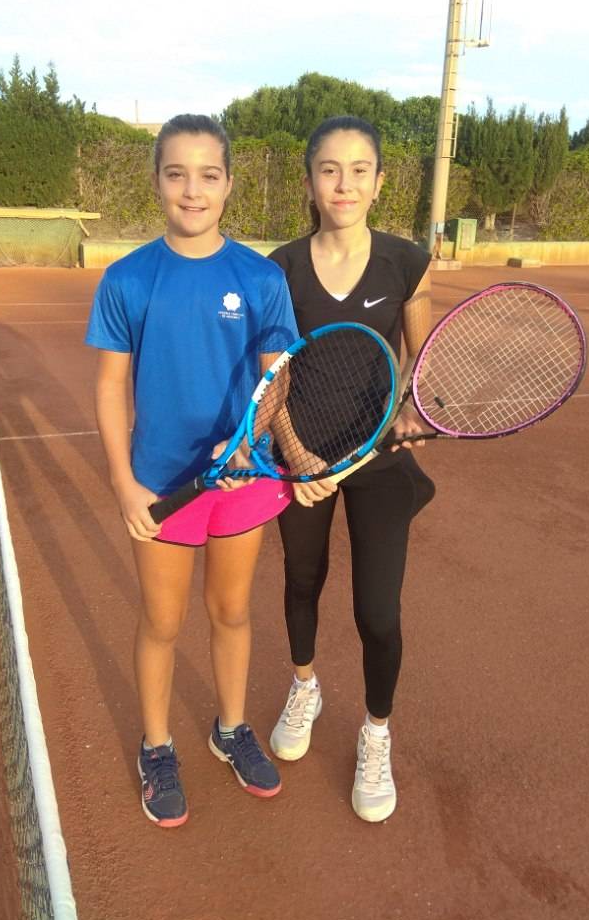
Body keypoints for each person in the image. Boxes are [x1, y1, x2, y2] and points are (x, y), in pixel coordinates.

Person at [85, 115, 298, 827]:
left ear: (229, 183)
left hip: (243, 481)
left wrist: (248, 443)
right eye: (176, 174)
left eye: (208, 175)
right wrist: (124, 483)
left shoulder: (261, 277)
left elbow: (277, 379)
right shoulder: (128, 279)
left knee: (232, 611)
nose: (192, 190)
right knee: (162, 620)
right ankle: (156, 747)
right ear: (157, 182)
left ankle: (230, 729)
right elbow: (110, 386)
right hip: (161, 486)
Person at [267, 116, 436, 823]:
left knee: (377, 611)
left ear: (379, 182)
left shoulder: (406, 262)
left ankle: (376, 733)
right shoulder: (280, 268)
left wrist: (413, 409)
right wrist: (295, 451)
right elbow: (273, 376)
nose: (344, 184)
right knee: (302, 581)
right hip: (303, 458)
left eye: (359, 170)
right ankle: (305, 687)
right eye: (329, 170)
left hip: (379, 461)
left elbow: (421, 361)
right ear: (310, 182)